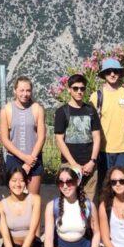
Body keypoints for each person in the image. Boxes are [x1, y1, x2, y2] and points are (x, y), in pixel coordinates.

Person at [53, 73, 102, 201]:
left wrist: (92, 161)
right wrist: (73, 164)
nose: (79, 91)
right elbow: (59, 139)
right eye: (75, 88)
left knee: (89, 202)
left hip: (90, 165)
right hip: (69, 164)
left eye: (82, 88)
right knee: (68, 200)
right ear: (69, 89)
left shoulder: (91, 111)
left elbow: (97, 137)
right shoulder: (62, 112)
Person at [93, 58, 124, 179]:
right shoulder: (96, 97)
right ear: (104, 75)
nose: (112, 74)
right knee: (106, 187)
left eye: (115, 71)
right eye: (108, 71)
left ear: (120, 73)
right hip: (104, 150)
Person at [0, 76, 46, 195]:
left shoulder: (37, 109)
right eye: (21, 90)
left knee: (33, 201)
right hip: (14, 159)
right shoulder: (6, 110)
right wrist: (24, 158)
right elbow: (5, 139)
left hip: (34, 160)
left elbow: (41, 137)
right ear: (15, 91)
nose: (25, 94)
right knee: (15, 201)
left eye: (28, 90)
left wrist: (30, 161)